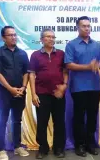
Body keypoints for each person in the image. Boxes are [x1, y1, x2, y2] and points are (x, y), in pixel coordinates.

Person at [64, 16, 100, 157]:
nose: (87, 28)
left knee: (93, 116)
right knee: (79, 117)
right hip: (78, 87)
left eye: (88, 26)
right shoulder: (71, 45)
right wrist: (88, 66)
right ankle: (79, 144)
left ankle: (90, 143)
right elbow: (68, 65)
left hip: (94, 86)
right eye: (83, 26)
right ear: (77, 27)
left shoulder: (96, 44)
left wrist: (98, 65)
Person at [0, 26, 30, 160]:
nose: (13, 37)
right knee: (2, 120)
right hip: (4, 93)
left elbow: (26, 72)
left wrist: (23, 87)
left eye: (15, 35)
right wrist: (10, 88)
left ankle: (17, 146)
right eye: (10, 35)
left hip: (20, 92)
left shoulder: (22, 53)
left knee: (17, 120)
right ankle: (0, 149)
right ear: (3, 38)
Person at [29, 29, 68, 159]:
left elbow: (65, 72)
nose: (51, 39)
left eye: (53, 37)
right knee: (42, 122)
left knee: (59, 122)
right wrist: (33, 94)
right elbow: (32, 74)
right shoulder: (35, 55)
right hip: (42, 94)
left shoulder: (61, 54)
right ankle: (43, 148)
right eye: (48, 37)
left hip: (58, 94)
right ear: (41, 39)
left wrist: (64, 86)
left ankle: (59, 148)